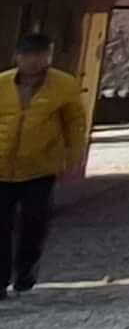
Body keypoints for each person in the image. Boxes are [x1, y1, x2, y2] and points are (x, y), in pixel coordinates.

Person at [2, 27, 90, 295]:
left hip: (40, 166)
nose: (34, 61)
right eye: (28, 55)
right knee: (0, 225)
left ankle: (25, 272)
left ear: (48, 57)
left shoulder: (63, 85)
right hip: (2, 165)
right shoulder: (3, 84)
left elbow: (74, 122)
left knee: (33, 221)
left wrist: (74, 155)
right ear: (18, 57)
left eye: (40, 55)